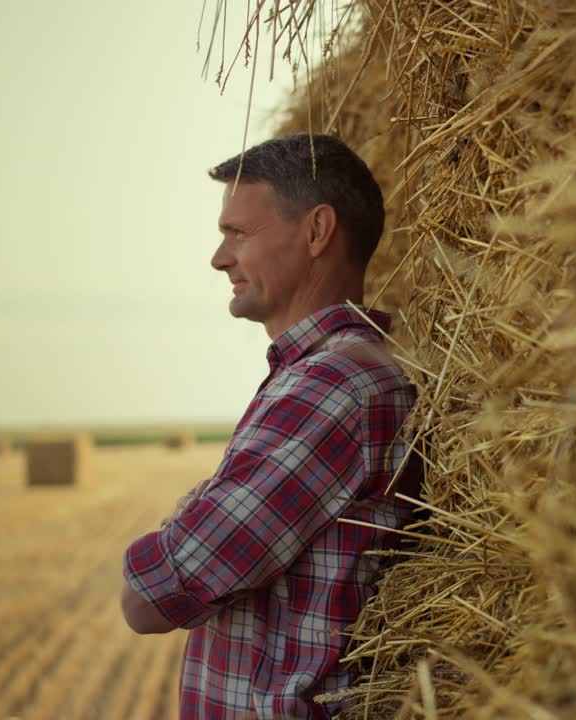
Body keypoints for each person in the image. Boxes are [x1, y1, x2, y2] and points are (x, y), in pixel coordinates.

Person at [119, 133, 421, 720]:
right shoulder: (320, 375)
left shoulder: (332, 388)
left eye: (238, 233)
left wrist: (188, 512)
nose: (219, 258)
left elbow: (151, 598)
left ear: (316, 232)